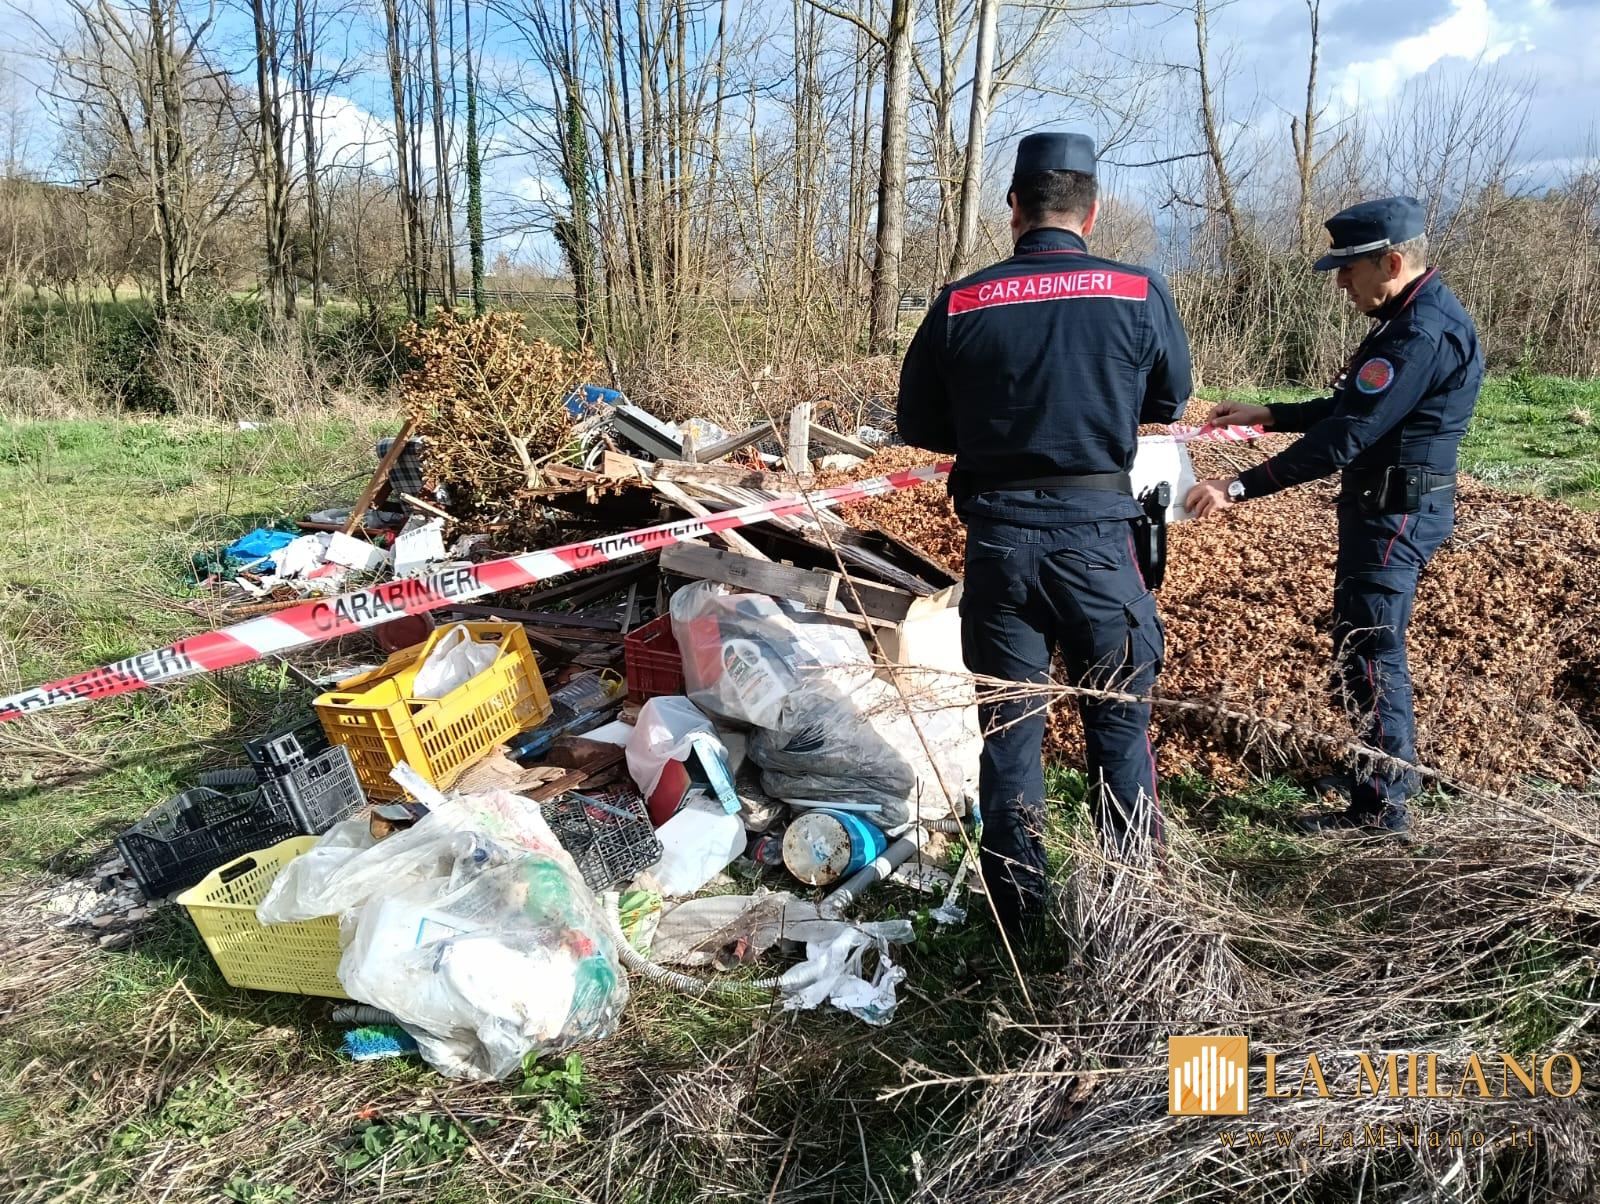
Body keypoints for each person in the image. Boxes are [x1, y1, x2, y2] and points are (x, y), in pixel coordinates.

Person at [896, 131, 1193, 933]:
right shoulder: (1138, 290)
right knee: (1119, 724)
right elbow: (1170, 399)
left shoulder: (962, 300)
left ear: (1013, 208)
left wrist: (998, 421)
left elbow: (918, 421)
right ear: (1091, 212)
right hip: (1100, 539)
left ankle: (1019, 917)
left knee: (1010, 733)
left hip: (1000, 542)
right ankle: (1132, 907)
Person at [1186, 196, 1483, 836]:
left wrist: (1237, 487)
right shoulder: (1406, 315)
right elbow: (1353, 403)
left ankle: (1381, 807)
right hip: (1383, 503)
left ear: (1392, 261)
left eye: (1349, 269)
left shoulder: (1421, 334)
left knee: (1375, 651)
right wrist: (1272, 413)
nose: (1342, 283)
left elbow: (1345, 437)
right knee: (1358, 644)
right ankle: (1372, 767)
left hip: (1395, 511)